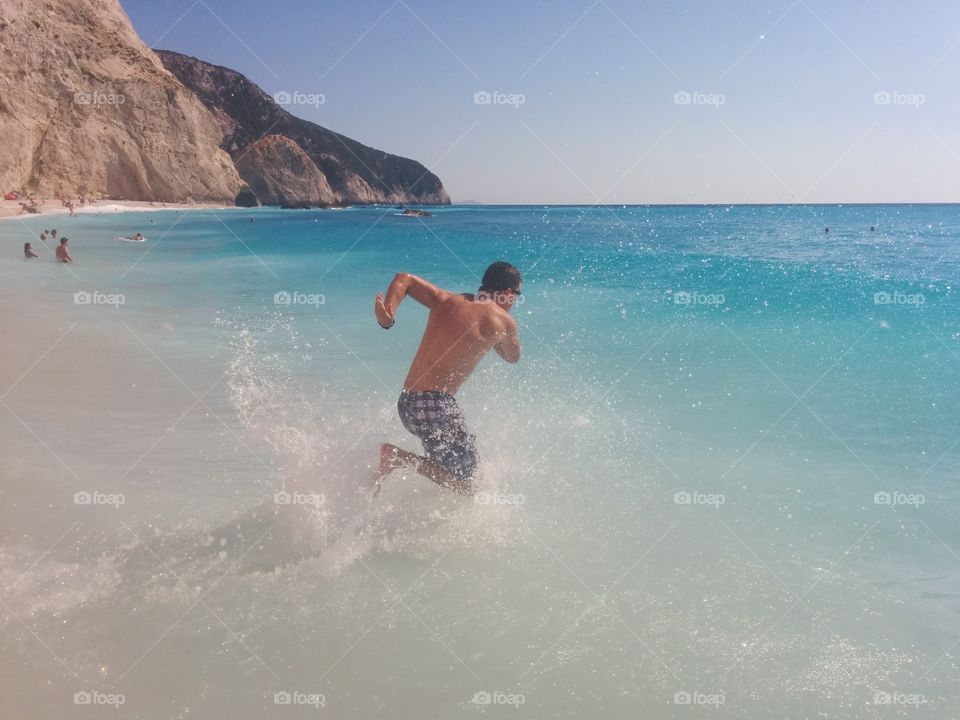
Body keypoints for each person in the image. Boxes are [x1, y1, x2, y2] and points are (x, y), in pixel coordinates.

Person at [372, 261, 522, 495]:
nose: (515, 302)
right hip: (435, 405)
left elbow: (405, 279)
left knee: (453, 472)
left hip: (408, 403)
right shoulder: (503, 321)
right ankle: (396, 458)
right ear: (506, 293)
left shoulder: (447, 300)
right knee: (469, 484)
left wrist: (387, 316)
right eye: (517, 295)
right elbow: (512, 357)